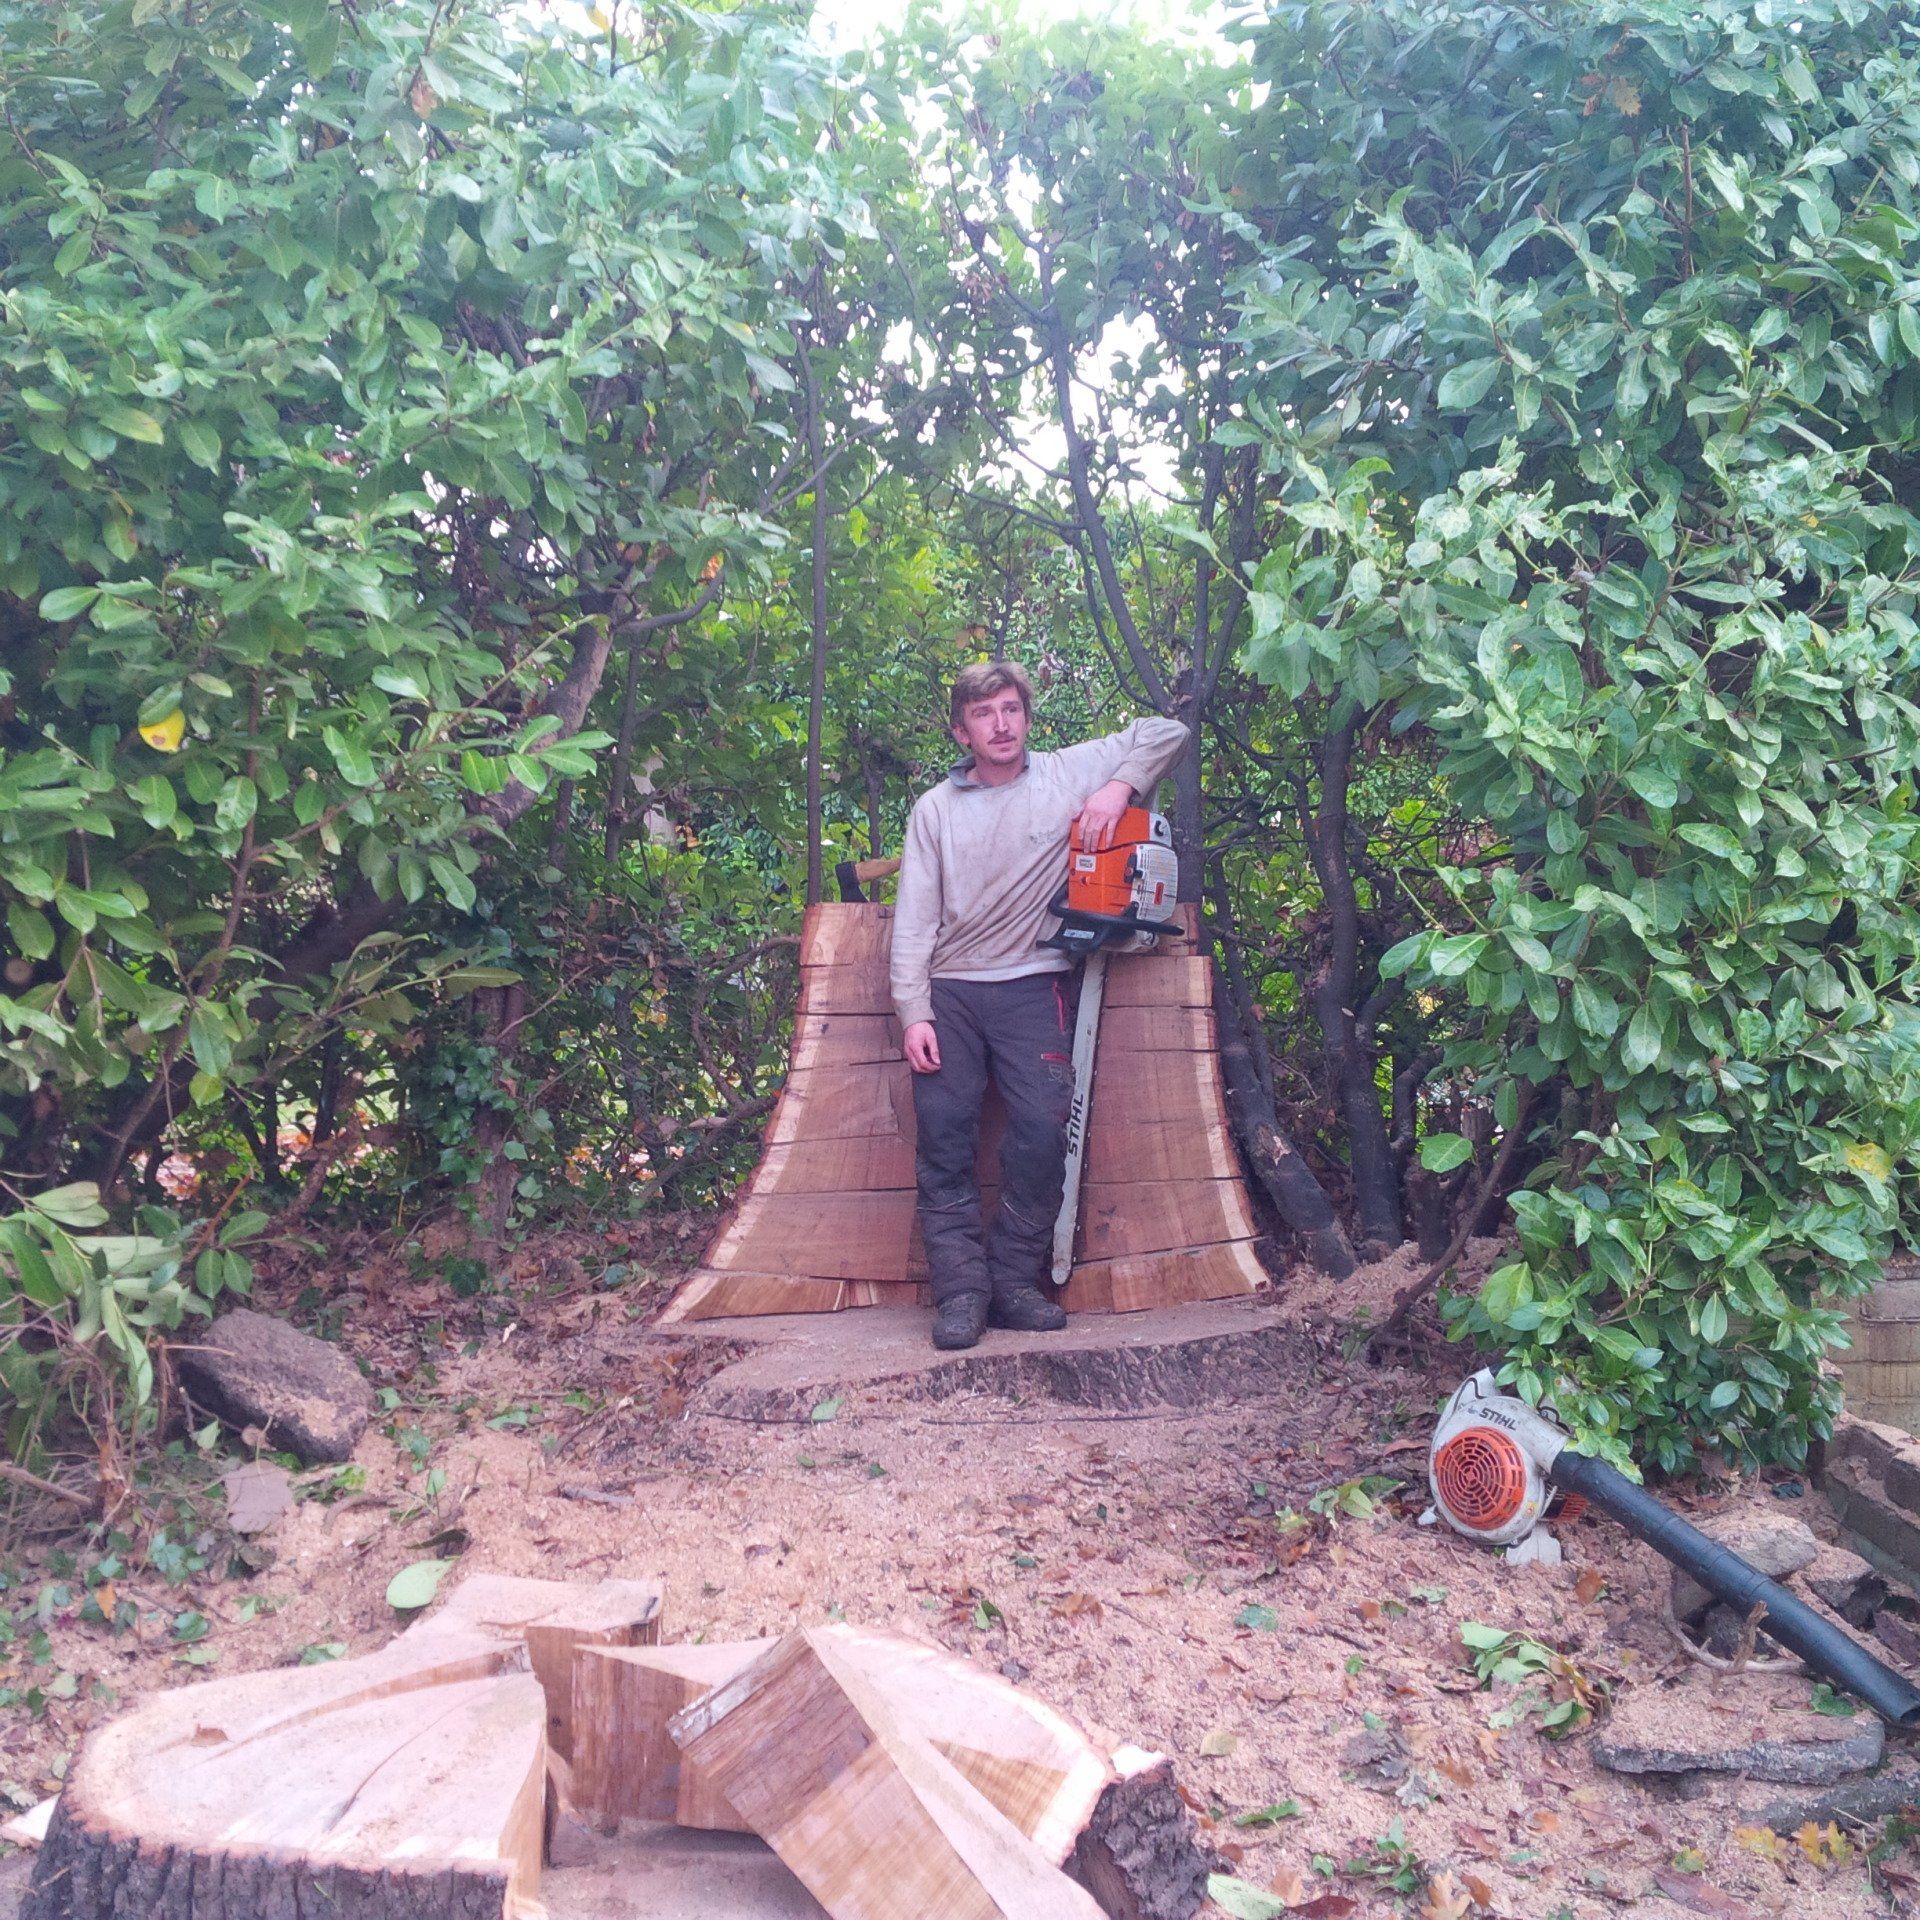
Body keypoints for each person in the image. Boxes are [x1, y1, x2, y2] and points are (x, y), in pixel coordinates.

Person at [890, 660, 1190, 1351]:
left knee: (1041, 1127)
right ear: (961, 729)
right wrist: (915, 1013)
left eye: (1010, 710)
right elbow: (913, 919)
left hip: (1035, 981)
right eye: (984, 714)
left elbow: (1166, 731)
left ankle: (1015, 1283)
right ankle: (962, 1295)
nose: (1000, 725)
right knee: (945, 1138)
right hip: (953, 990)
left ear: (1026, 716)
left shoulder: (1065, 772)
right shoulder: (935, 809)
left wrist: (1118, 788)